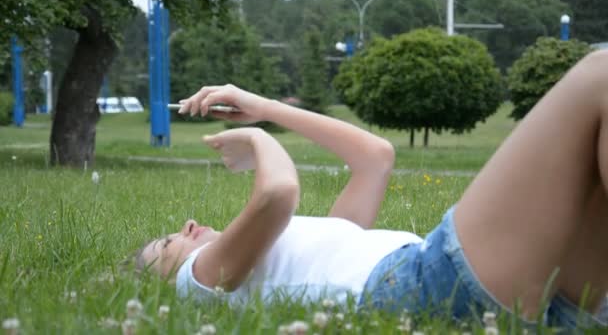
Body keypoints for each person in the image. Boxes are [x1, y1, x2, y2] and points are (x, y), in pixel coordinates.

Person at [137, 51, 608, 330]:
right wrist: (258, 141)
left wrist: (264, 108)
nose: (187, 227)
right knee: (597, 77)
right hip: (417, 286)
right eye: (166, 242)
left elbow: (375, 157)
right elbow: (278, 194)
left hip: (450, 286)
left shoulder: (315, 249)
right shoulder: (201, 281)